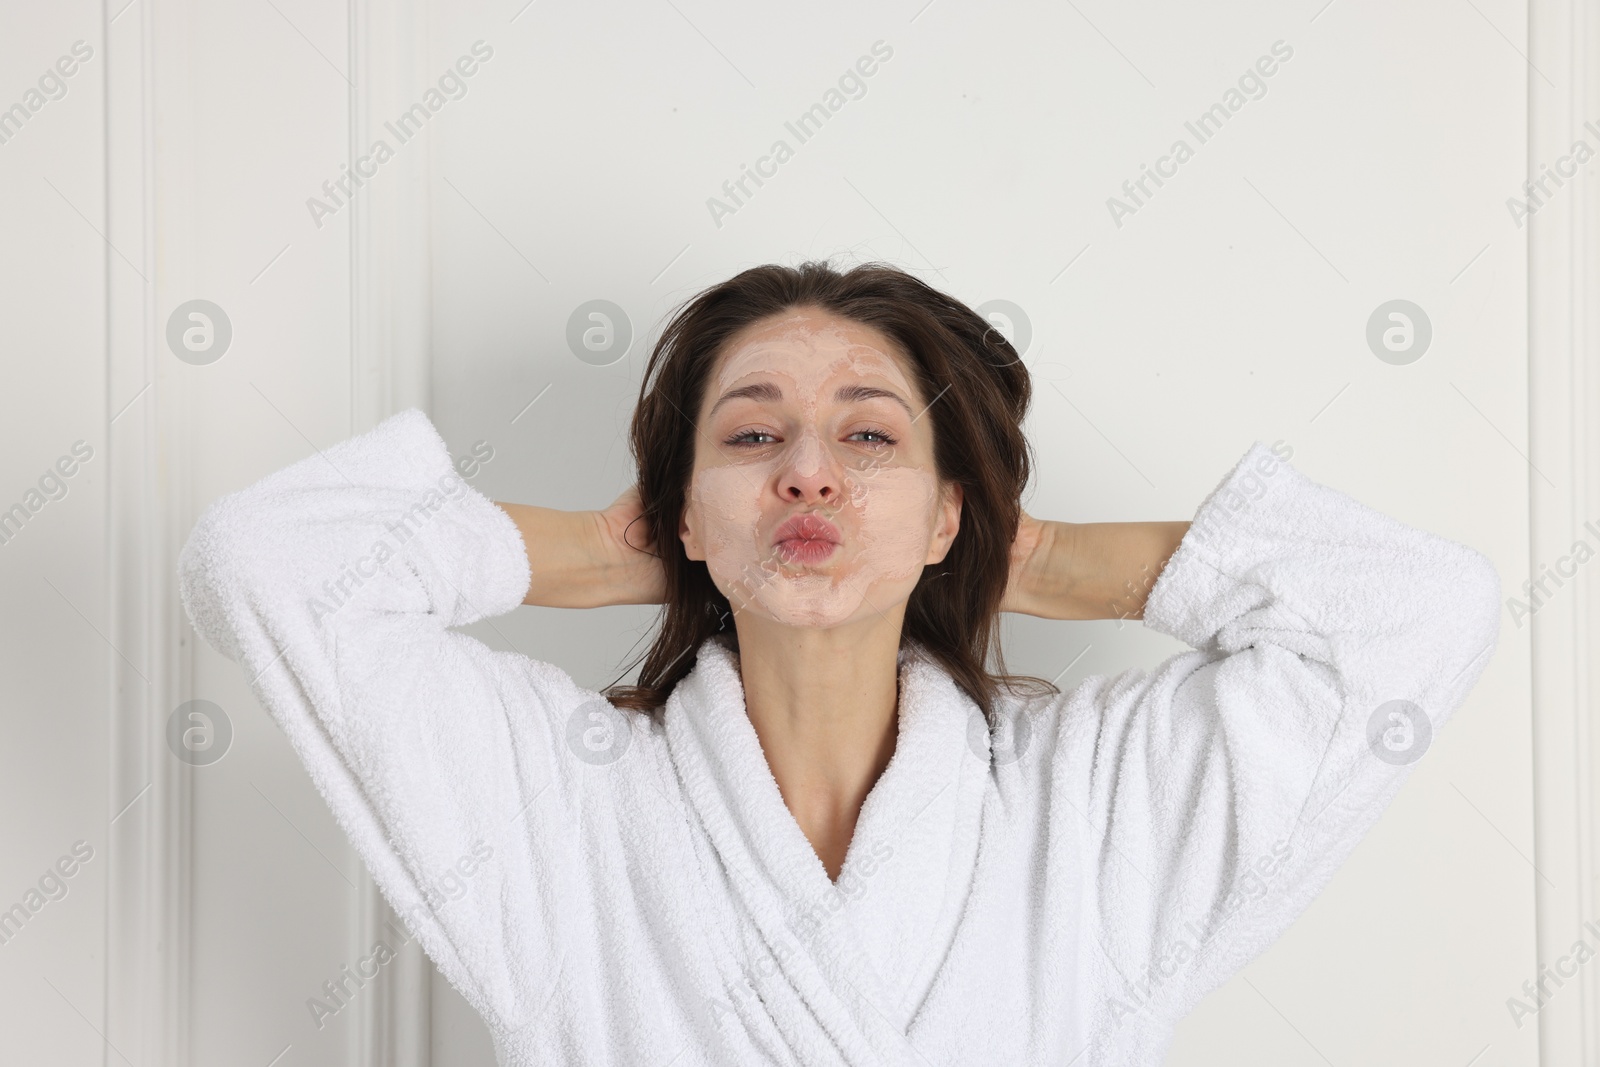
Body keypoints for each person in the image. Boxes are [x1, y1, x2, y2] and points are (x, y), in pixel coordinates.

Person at [178, 260, 1500, 1066]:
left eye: (870, 440)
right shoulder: (563, 803)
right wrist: (602, 545)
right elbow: (264, 563)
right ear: (680, 513)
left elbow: (1413, 611)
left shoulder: (1089, 808)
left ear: (948, 511)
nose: (807, 467)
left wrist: (1017, 553)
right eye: (752, 438)